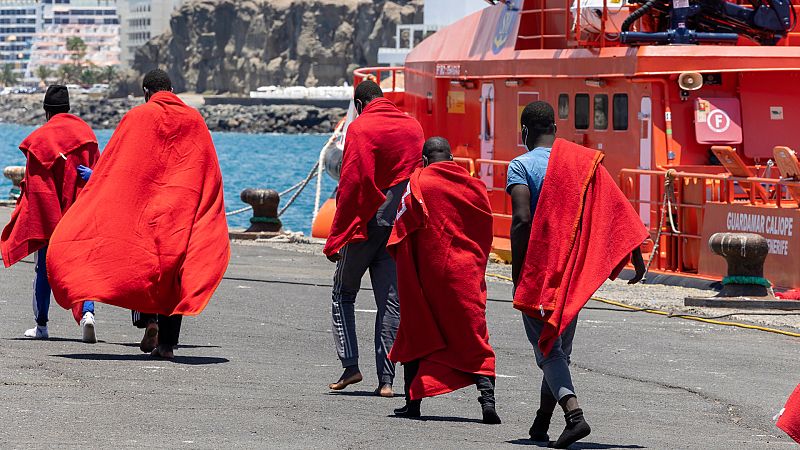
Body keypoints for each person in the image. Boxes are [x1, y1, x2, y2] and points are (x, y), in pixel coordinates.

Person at [46, 69, 230, 359]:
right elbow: (208, 171)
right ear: (171, 89)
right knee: (174, 274)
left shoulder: (136, 117)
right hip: (180, 211)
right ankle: (168, 346)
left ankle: (149, 321)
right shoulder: (195, 119)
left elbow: (117, 168)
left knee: (143, 267)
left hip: (146, 211)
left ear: (147, 93)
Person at [507, 101, 648, 448]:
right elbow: (615, 208)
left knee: (547, 352)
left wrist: (518, 271)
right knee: (556, 349)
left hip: (541, 270)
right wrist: (637, 256)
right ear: (555, 128)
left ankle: (574, 415)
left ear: (525, 132)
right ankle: (541, 424)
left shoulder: (520, 166)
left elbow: (522, 219)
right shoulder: (582, 164)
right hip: (573, 272)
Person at [388, 137, 500, 424]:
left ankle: (412, 404)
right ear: (451, 158)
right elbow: (485, 228)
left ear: (424, 160)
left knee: (417, 328)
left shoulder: (419, 183)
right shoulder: (474, 185)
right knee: (474, 336)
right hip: (467, 274)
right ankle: (488, 402)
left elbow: (402, 230)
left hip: (431, 274)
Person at [323, 80, 424, 397]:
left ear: (360, 104)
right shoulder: (413, 127)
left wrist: (336, 237)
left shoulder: (360, 127)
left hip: (365, 227)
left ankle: (351, 366)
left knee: (343, 294)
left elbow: (353, 182)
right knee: (390, 303)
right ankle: (387, 382)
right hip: (397, 227)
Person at [1, 85, 100, 343]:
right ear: (68, 109)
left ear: (47, 111)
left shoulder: (41, 139)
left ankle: (42, 325)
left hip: (51, 219)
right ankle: (88, 314)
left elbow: (35, 188)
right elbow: (101, 174)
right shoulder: (87, 135)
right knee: (82, 268)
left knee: (43, 269)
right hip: (80, 215)